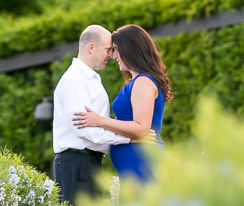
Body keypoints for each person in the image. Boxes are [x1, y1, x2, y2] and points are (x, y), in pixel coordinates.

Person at [73, 23, 172, 184]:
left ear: (130, 50)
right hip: (134, 168)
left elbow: (141, 128)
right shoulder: (135, 82)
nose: (112, 55)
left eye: (116, 49)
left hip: (144, 164)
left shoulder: (143, 82)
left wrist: (100, 121)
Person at [52, 25, 131, 206]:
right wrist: (128, 138)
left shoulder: (90, 79)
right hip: (76, 163)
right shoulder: (75, 80)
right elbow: (85, 131)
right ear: (91, 48)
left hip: (88, 162)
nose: (111, 55)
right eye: (107, 50)